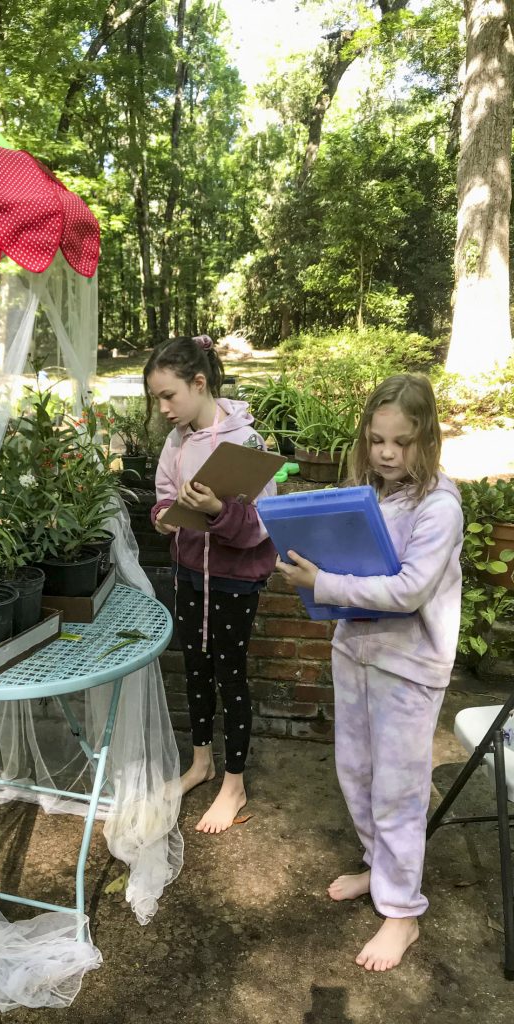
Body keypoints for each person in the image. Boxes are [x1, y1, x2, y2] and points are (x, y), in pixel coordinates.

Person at [276, 373, 463, 972]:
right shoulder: (369, 494)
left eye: (401, 442)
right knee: (355, 771)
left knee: (399, 789)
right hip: (355, 649)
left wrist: (322, 582)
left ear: (426, 438)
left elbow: (409, 590)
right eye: (377, 439)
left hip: (408, 667)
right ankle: (378, 870)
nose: (386, 453)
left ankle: (403, 911)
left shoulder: (440, 506)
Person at [144, 335, 277, 835]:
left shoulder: (246, 443)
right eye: (157, 398)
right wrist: (163, 518)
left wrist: (218, 512)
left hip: (233, 581)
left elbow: (262, 524)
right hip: (187, 574)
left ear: (199, 383)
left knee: (230, 675)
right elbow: (160, 498)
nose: (163, 408)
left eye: (169, 395)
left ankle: (234, 782)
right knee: (196, 669)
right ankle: (201, 764)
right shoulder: (175, 441)